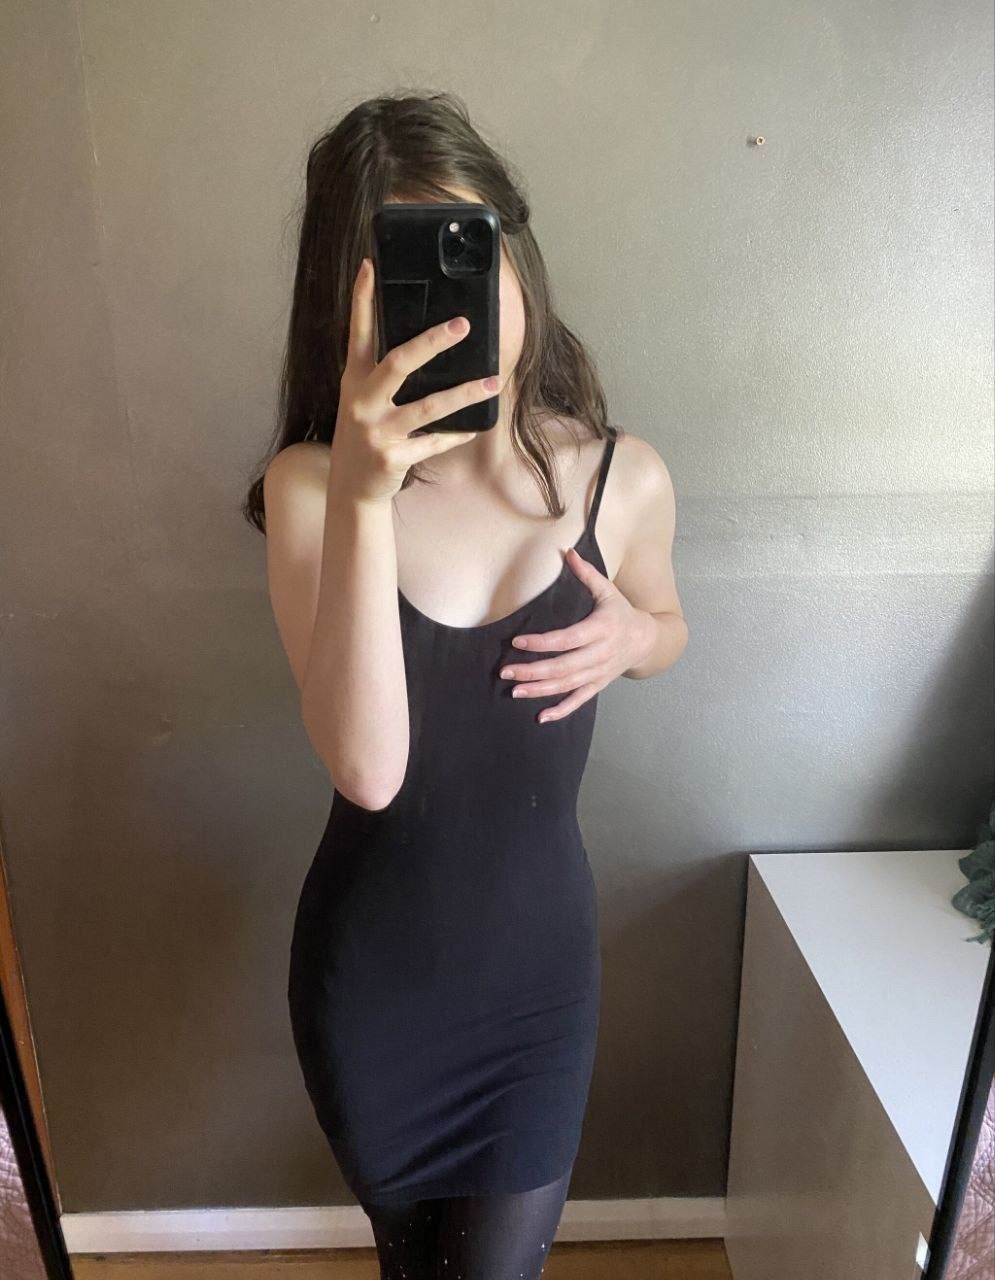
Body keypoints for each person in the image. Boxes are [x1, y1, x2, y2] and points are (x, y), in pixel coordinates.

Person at [244, 90, 686, 1279]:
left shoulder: (623, 478)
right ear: (347, 305)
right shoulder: (307, 489)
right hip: (374, 987)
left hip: (538, 987)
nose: (453, 302)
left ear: (517, 257)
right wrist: (362, 490)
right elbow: (367, 766)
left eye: (470, 250)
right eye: (408, 272)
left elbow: (668, 626)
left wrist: (633, 637)